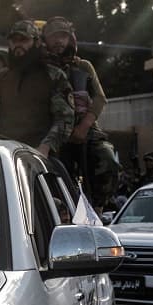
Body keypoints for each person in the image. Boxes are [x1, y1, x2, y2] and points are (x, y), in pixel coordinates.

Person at [41, 16, 119, 209]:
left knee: (107, 159)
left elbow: (100, 99)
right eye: (53, 36)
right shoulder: (40, 67)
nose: (59, 41)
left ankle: (98, 209)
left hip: (83, 126)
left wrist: (83, 127)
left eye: (63, 36)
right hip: (51, 128)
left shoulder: (82, 66)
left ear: (70, 39)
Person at [0, 20, 75, 158]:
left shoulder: (53, 76)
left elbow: (65, 118)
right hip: (4, 154)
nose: (18, 45)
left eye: (24, 40)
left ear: (36, 43)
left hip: (41, 155)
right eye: (14, 41)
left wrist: (46, 147)